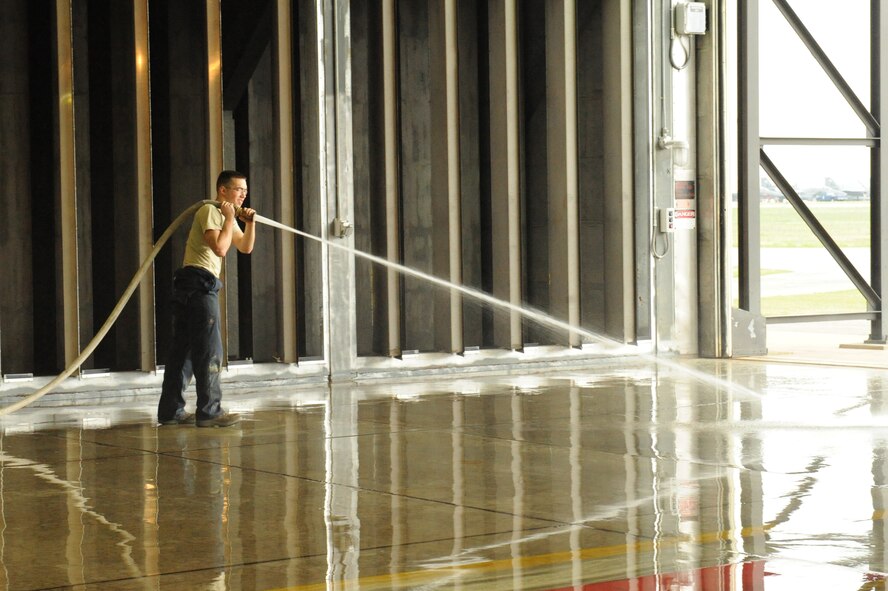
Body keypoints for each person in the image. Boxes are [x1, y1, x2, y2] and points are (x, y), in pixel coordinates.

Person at [157, 170, 256, 428]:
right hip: (197, 284)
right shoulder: (211, 211)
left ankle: (170, 412)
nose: (243, 195)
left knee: (184, 350)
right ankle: (210, 412)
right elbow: (221, 248)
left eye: (245, 191)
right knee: (209, 350)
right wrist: (230, 218)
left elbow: (245, 246)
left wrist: (250, 222)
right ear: (222, 190)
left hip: (193, 285)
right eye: (238, 190)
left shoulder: (227, 215)